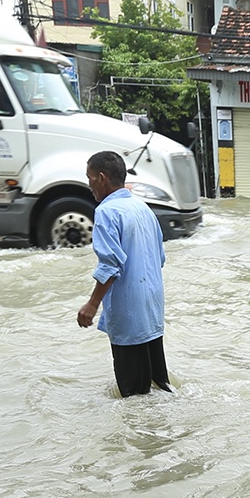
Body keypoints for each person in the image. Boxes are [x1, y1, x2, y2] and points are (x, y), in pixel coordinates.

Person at [76, 150, 170, 397]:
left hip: (129, 313)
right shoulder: (143, 208)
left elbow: (110, 265)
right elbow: (160, 258)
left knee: (133, 397)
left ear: (101, 178)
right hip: (152, 308)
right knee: (158, 387)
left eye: (89, 178)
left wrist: (92, 304)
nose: (89, 185)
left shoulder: (107, 212)